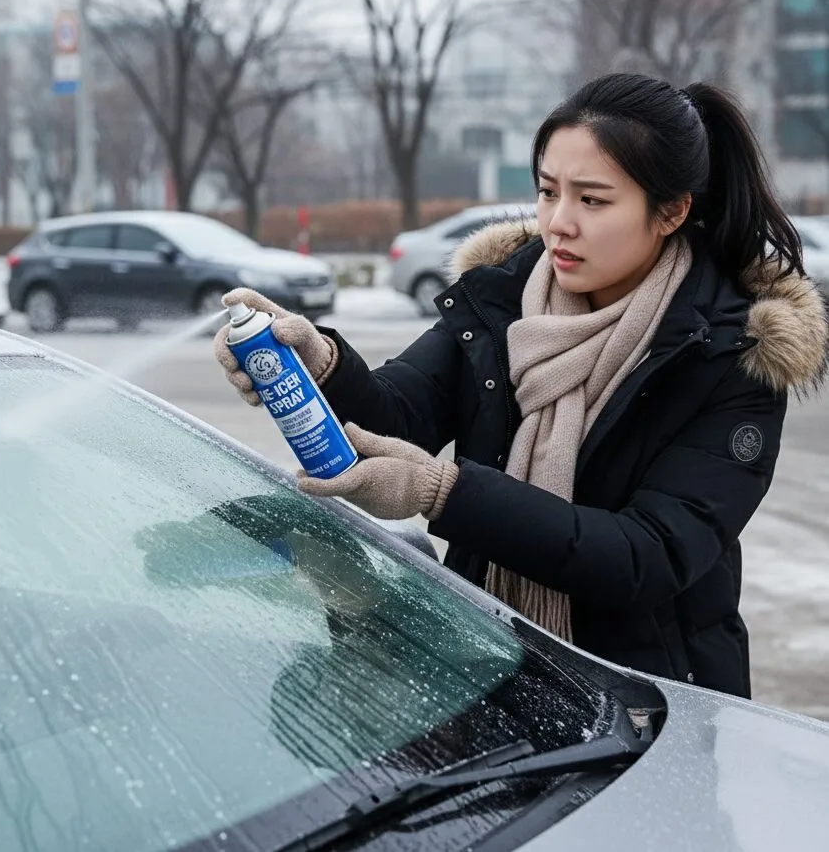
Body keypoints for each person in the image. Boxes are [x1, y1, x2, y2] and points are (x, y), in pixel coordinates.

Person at [213, 72, 829, 698]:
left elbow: (647, 556)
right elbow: (396, 416)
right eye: (546, 191)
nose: (558, 223)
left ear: (671, 211)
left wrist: (441, 492)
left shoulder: (732, 355)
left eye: (592, 200)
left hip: (649, 703)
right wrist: (314, 362)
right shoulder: (504, 300)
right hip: (484, 661)